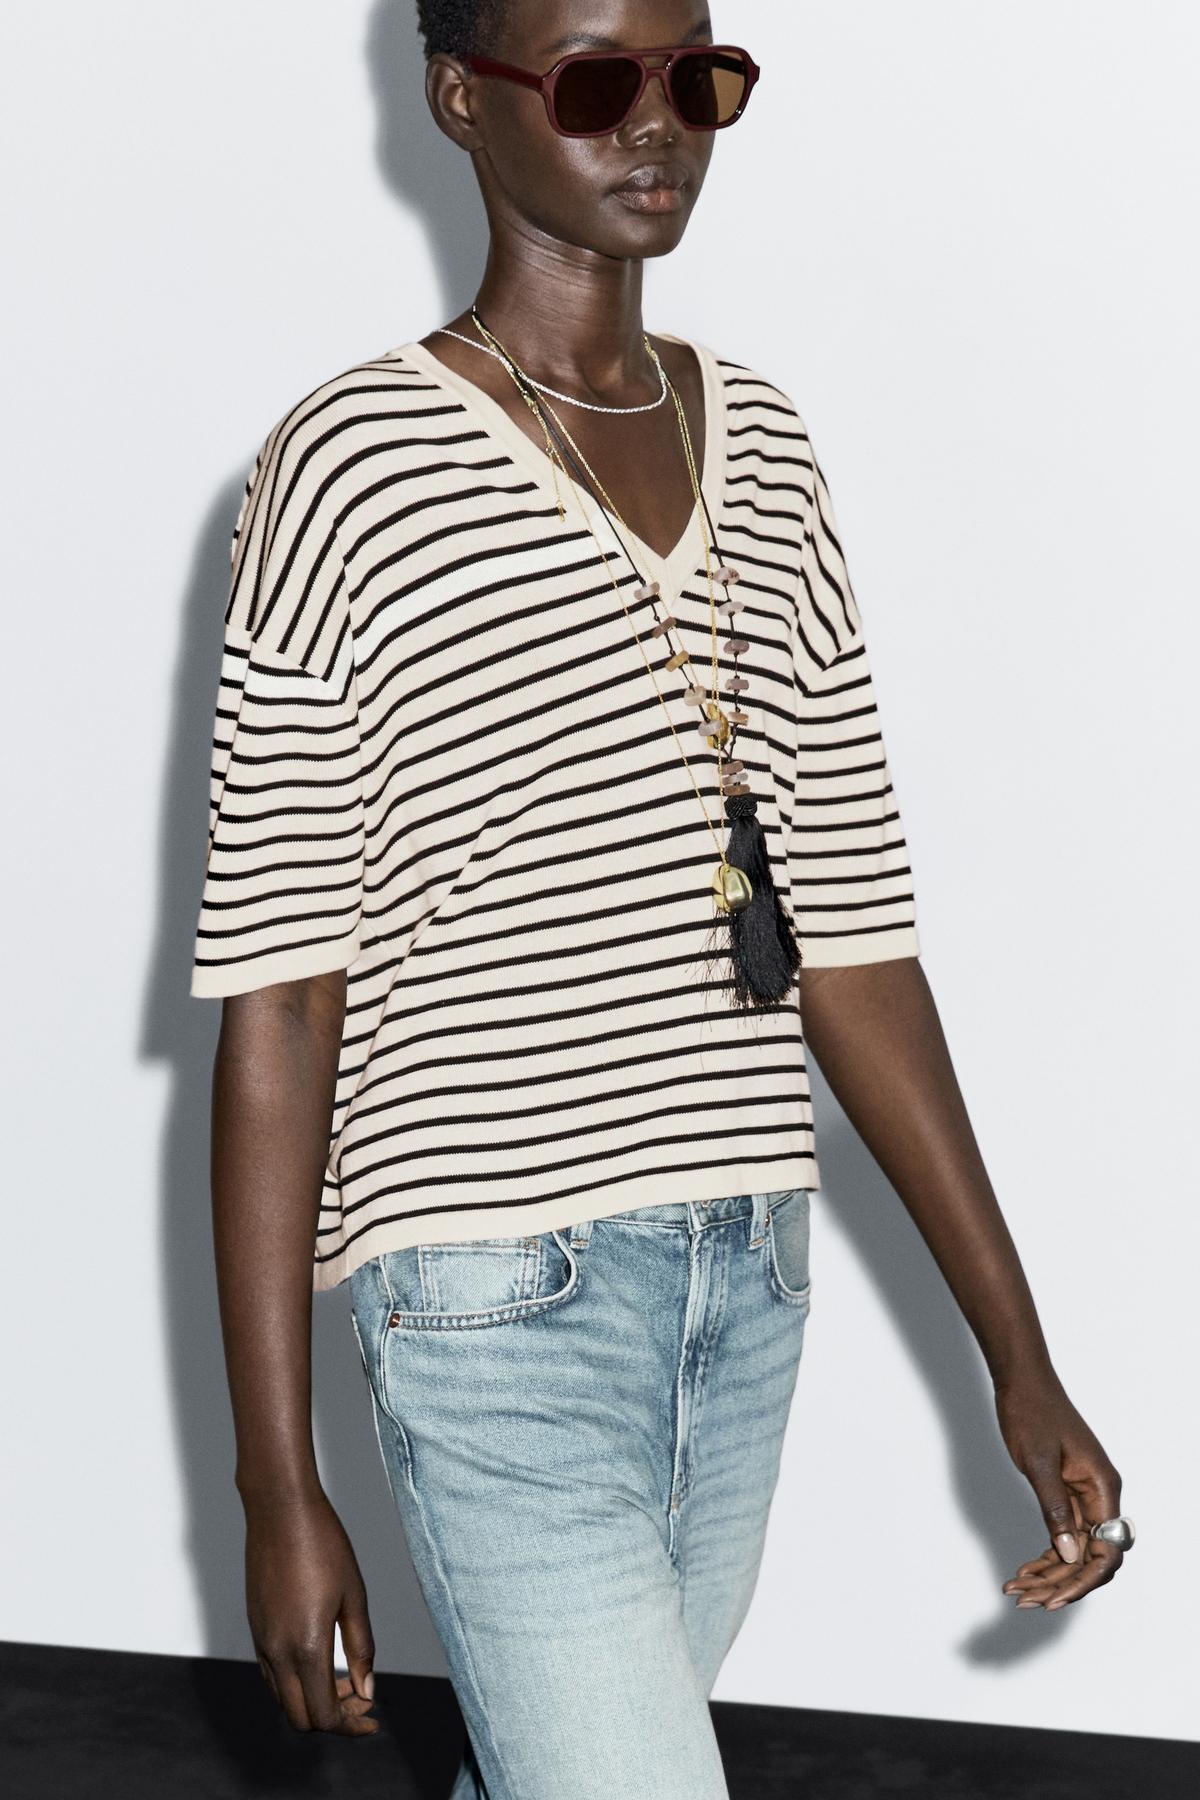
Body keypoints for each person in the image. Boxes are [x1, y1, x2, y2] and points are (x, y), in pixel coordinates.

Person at [188, 3, 1131, 1795]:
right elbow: (282, 994)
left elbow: (856, 943)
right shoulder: (350, 464)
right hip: (490, 1291)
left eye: (697, 77)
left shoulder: (762, 444)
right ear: (462, 100)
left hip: (746, 1281)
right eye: (596, 82)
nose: (658, 126)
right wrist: (275, 1483)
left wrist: (1018, 1357)